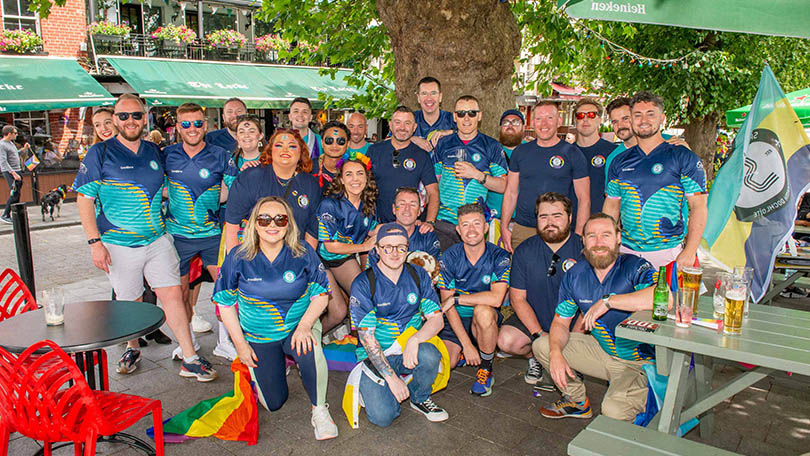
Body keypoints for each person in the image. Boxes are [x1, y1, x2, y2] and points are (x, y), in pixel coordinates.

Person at [73, 94, 216, 381]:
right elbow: (84, 199)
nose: (130, 121)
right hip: (118, 243)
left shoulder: (154, 151)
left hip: (157, 239)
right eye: (123, 116)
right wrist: (94, 243)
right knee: (131, 302)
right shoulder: (99, 154)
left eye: (136, 116)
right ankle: (132, 347)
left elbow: (167, 188)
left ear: (145, 118)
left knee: (173, 294)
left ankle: (189, 356)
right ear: (115, 119)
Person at [214, 196, 338, 440]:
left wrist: (305, 326)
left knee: (308, 347)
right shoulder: (238, 257)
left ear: (288, 224)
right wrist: (240, 344)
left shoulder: (303, 253)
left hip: (296, 327)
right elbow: (225, 304)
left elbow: (322, 296)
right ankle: (276, 368)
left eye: (280, 219)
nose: (273, 224)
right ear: (254, 224)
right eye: (265, 218)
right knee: (274, 404)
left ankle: (320, 409)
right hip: (259, 335)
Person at [533, 213, 656, 421]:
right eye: (592, 236)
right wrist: (555, 354)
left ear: (618, 238)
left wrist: (609, 302)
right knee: (543, 346)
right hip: (603, 352)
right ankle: (576, 401)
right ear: (583, 240)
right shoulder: (575, 275)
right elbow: (561, 323)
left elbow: (664, 298)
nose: (599, 243)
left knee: (613, 411)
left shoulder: (634, 266)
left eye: (606, 235)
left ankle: (653, 401)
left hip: (639, 363)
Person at [350, 223, 449, 427]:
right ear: (377, 249)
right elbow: (367, 339)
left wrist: (415, 339)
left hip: (407, 347)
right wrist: (392, 379)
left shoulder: (418, 275)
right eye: (387, 247)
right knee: (383, 417)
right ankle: (382, 387)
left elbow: (437, 319)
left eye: (401, 247)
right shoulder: (363, 283)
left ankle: (420, 398)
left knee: (430, 353)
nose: (394, 253)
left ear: (408, 248)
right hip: (377, 354)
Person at [163, 103, 237, 361]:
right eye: (186, 124)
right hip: (177, 236)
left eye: (197, 123)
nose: (192, 129)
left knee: (226, 289)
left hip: (214, 235)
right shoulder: (166, 155)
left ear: (205, 125)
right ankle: (187, 341)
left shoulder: (220, 155)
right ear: (178, 127)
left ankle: (226, 340)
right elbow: (157, 188)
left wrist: (212, 201)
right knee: (179, 293)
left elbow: (232, 191)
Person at [603, 91, 708, 269]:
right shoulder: (618, 162)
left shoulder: (682, 156)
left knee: (671, 298)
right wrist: (607, 244)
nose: (643, 120)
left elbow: (698, 207)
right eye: (637, 115)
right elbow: (611, 206)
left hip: (670, 253)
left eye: (650, 114)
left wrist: (690, 251)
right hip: (627, 252)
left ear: (662, 119)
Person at [497, 192, 584, 392]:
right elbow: (518, 299)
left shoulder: (584, 249)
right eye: (543, 217)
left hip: (573, 325)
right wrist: (540, 336)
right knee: (506, 340)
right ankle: (536, 357)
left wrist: (571, 341)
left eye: (557, 215)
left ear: (570, 218)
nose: (550, 222)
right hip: (537, 319)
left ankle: (573, 361)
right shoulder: (524, 250)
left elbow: (592, 303)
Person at [437, 203, 510, 397]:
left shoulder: (499, 256)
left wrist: (458, 299)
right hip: (455, 320)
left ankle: (486, 368)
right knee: (445, 363)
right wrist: (467, 345)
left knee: (484, 311)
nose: (471, 230)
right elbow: (447, 305)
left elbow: (496, 298)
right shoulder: (448, 257)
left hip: (483, 320)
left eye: (477, 223)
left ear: (486, 227)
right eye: (465, 225)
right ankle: (465, 350)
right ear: (458, 230)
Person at [501, 101, 590, 253]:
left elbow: (584, 199)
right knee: (522, 274)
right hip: (524, 229)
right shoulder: (520, 152)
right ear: (532, 122)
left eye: (549, 118)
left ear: (559, 121)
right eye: (538, 119)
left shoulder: (573, 154)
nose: (544, 124)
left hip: (559, 230)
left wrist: (578, 235)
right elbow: (511, 192)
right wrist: (504, 226)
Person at [224, 128, 321, 254]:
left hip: (295, 257)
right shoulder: (250, 178)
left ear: (301, 153)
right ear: (270, 151)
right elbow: (232, 224)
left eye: (292, 146)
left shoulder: (311, 184)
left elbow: (312, 230)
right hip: (254, 257)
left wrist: (307, 263)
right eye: (279, 145)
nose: (285, 150)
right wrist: (235, 264)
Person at [433, 96, 507, 250]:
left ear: (479, 116)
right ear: (454, 117)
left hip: (475, 226)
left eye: (472, 113)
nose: (466, 118)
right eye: (461, 113)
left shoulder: (491, 146)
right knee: (442, 270)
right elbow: (434, 184)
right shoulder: (443, 144)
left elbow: (503, 186)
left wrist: (476, 174)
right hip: (444, 223)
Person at [317, 151, 378, 332]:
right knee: (338, 312)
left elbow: (372, 230)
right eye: (349, 174)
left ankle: (366, 345)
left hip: (344, 259)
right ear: (341, 180)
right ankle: (312, 342)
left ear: (367, 178)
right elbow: (329, 246)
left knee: (364, 299)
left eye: (360, 173)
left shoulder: (368, 204)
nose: (355, 179)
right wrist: (364, 247)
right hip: (323, 260)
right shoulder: (330, 205)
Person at [367, 106, 439, 224]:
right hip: (377, 224)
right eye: (398, 122)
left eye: (407, 123)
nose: (402, 128)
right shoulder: (374, 151)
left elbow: (433, 192)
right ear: (390, 125)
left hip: (410, 225)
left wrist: (430, 222)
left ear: (414, 127)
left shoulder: (422, 156)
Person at [486, 109, 525, 243]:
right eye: (506, 122)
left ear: (523, 127)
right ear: (500, 128)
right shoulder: (490, 151)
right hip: (494, 220)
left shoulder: (532, 151)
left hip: (523, 222)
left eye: (515, 122)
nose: (510, 125)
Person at [573, 98, 615, 213]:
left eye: (591, 115)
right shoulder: (566, 153)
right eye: (580, 116)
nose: (585, 119)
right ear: (575, 121)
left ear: (599, 120)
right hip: (571, 223)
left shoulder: (613, 152)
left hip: (602, 221)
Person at [411, 77, 455, 152]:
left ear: (440, 97)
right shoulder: (410, 119)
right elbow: (388, 141)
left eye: (433, 93)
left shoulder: (453, 119)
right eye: (424, 93)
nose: (429, 98)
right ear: (418, 98)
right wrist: (411, 139)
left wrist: (448, 132)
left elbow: (472, 135)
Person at [1, 125, 29, 224]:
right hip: (10, 172)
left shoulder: (11, 143)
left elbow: (15, 155)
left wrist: (24, 149)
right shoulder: (2, 145)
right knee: (14, 192)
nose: (16, 135)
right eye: (15, 133)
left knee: (17, 193)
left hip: (17, 170)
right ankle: (5, 215)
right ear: (9, 134)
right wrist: (13, 174)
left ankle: (15, 214)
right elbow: (3, 161)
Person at [314, 121, 350, 188]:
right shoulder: (309, 168)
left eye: (340, 141)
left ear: (348, 144)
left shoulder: (354, 170)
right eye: (329, 140)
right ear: (322, 143)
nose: (334, 145)